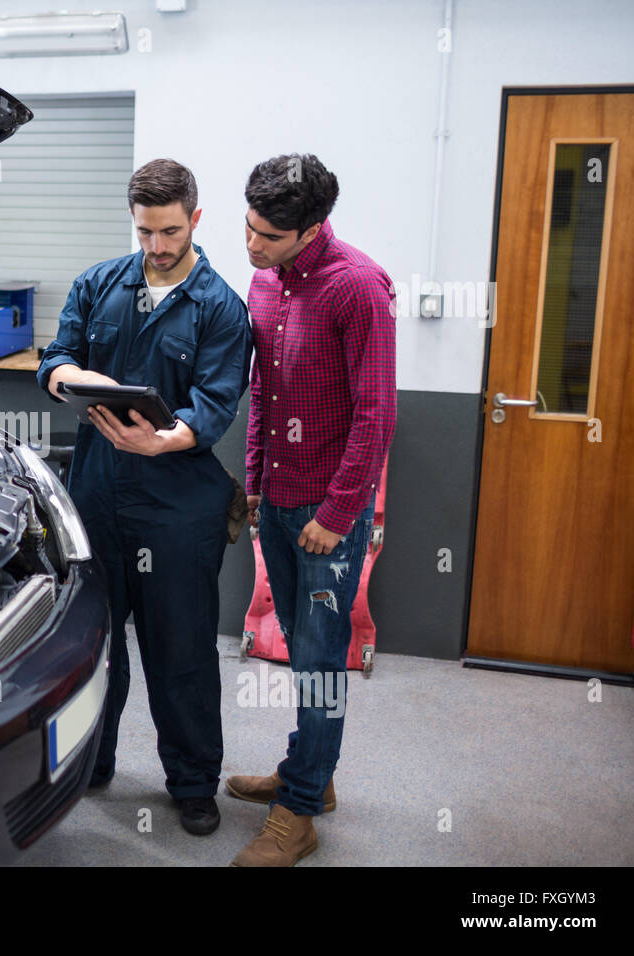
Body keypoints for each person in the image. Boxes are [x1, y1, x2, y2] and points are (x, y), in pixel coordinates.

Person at [37, 158, 252, 836]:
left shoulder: (221, 307)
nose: (156, 247)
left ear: (194, 218)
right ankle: (92, 762)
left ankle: (192, 783)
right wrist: (72, 376)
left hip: (178, 504)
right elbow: (53, 359)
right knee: (94, 641)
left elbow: (215, 404)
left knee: (181, 649)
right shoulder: (98, 284)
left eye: (167, 231)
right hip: (97, 494)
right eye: (144, 233)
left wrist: (168, 440)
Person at [226, 153, 396, 866]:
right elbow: (265, 395)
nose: (252, 247)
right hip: (279, 500)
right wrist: (257, 481)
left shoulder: (359, 288)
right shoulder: (265, 285)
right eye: (249, 227)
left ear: (311, 228)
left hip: (331, 514)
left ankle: (299, 814)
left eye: (268, 236)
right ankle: (309, 776)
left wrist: (337, 513)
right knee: (302, 651)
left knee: (324, 661)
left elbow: (377, 413)